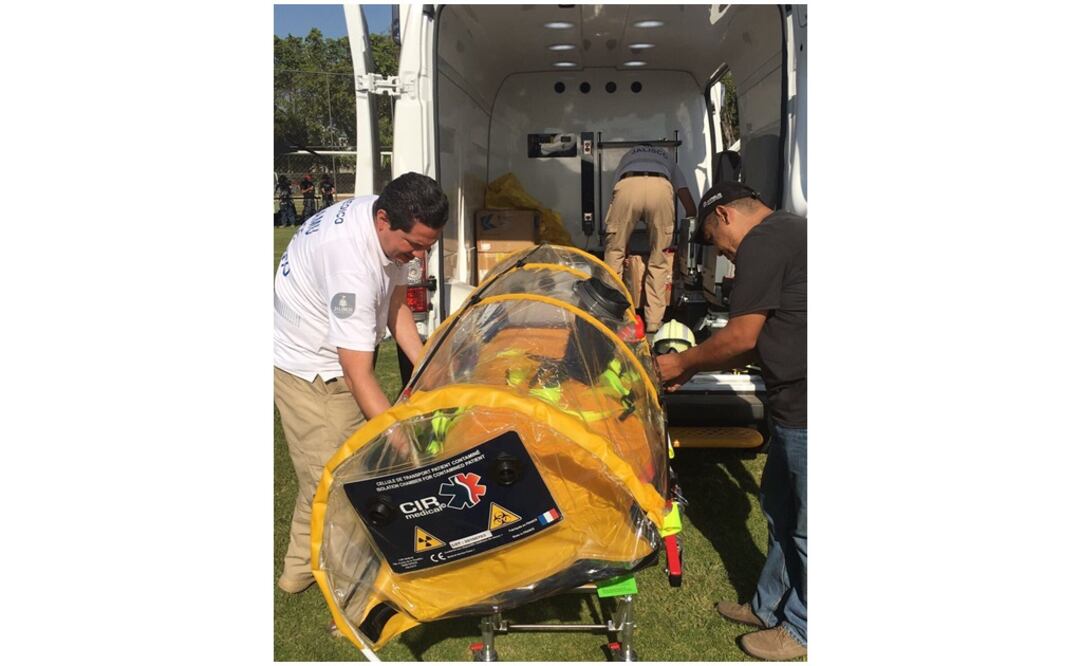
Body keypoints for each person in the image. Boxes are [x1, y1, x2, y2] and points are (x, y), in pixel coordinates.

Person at [273, 172, 449, 595]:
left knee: (329, 472)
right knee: (339, 484)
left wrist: (429, 365)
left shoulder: (389, 223)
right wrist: (399, 437)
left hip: (335, 359)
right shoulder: (350, 262)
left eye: (429, 246)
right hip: (308, 368)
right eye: (415, 245)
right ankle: (351, 593)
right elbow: (358, 374)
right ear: (385, 220)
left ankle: (297, 572)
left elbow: (394, 305)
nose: (420, 255)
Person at [656, 181, 806, 661]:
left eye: (713, 239)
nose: (721, 253)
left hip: (809, 401)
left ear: (723, 216)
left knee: (806, 524)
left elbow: (741, 336)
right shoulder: (789, 231)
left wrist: (682, 364)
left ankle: (802, 630)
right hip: (792, 400)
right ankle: (770, 607)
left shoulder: (763, 242)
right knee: (780, 510)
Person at [602, 144, 697, 333]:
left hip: (628, 185)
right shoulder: (668, 159)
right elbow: (685, 194)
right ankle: (653, 323)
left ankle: (611, 317)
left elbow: (616, 194)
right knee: (659, 259)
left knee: (614, 254)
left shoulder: (627, 157)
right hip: (660, 188)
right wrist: (692, 221)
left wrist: (624, 245)